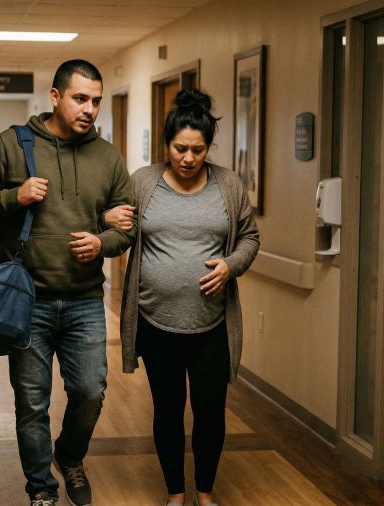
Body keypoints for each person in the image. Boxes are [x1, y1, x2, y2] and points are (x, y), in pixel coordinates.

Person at [0, 59, 133, 506]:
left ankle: (70, 455)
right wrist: (13, 196)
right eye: (80, 98)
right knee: (32, 403)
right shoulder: (13, 145)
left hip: (83, 301)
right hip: (25, 300)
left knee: (90, 392)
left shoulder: (108, 156)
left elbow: (127, 225)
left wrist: (103, 243)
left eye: (96, 100)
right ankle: (41, 488)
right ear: (55, 97)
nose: (90, 109)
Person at [105, 89, 259, 506]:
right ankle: (175, 492)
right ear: (166, 145)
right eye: (179, 149)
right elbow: (122, 235)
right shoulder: (143, 182)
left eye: (197, 149)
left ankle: (205, 493)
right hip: (156, 322)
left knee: (210, 412)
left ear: (208, 147)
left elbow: (249, 236)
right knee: (168, 411)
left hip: (212, 325)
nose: (188, 158)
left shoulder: (228, 184)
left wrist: (232, 265)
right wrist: (106, 222)